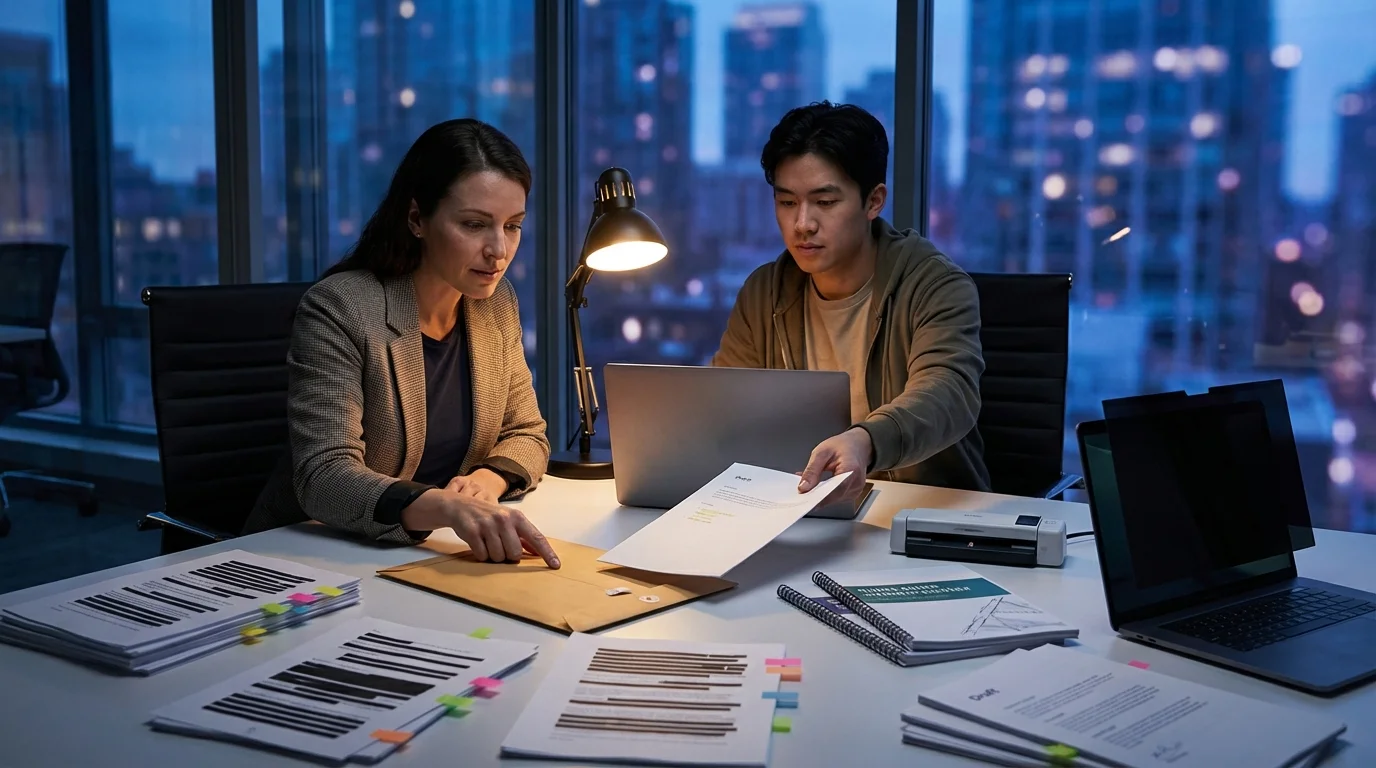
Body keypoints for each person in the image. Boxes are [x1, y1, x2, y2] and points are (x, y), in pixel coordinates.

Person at [245, 118, 559, 569]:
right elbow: (325, 477)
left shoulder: (493, 303)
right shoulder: (341, 307)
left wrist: (485, 484)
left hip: (430, 559)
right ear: (417, 219)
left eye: (512, 226)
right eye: (474, 225)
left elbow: (527, 433)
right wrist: (447, 507)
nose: (499, 250)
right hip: (313, 559)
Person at [712, 101, 990, 499]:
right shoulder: (764, 292)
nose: (802, 223)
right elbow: (724, 406)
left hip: (917, 514)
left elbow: (949, 390)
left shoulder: (934, 284)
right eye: (787, 202)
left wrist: (866, 440)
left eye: (825, 203)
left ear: (874, 201)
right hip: (797, 509)